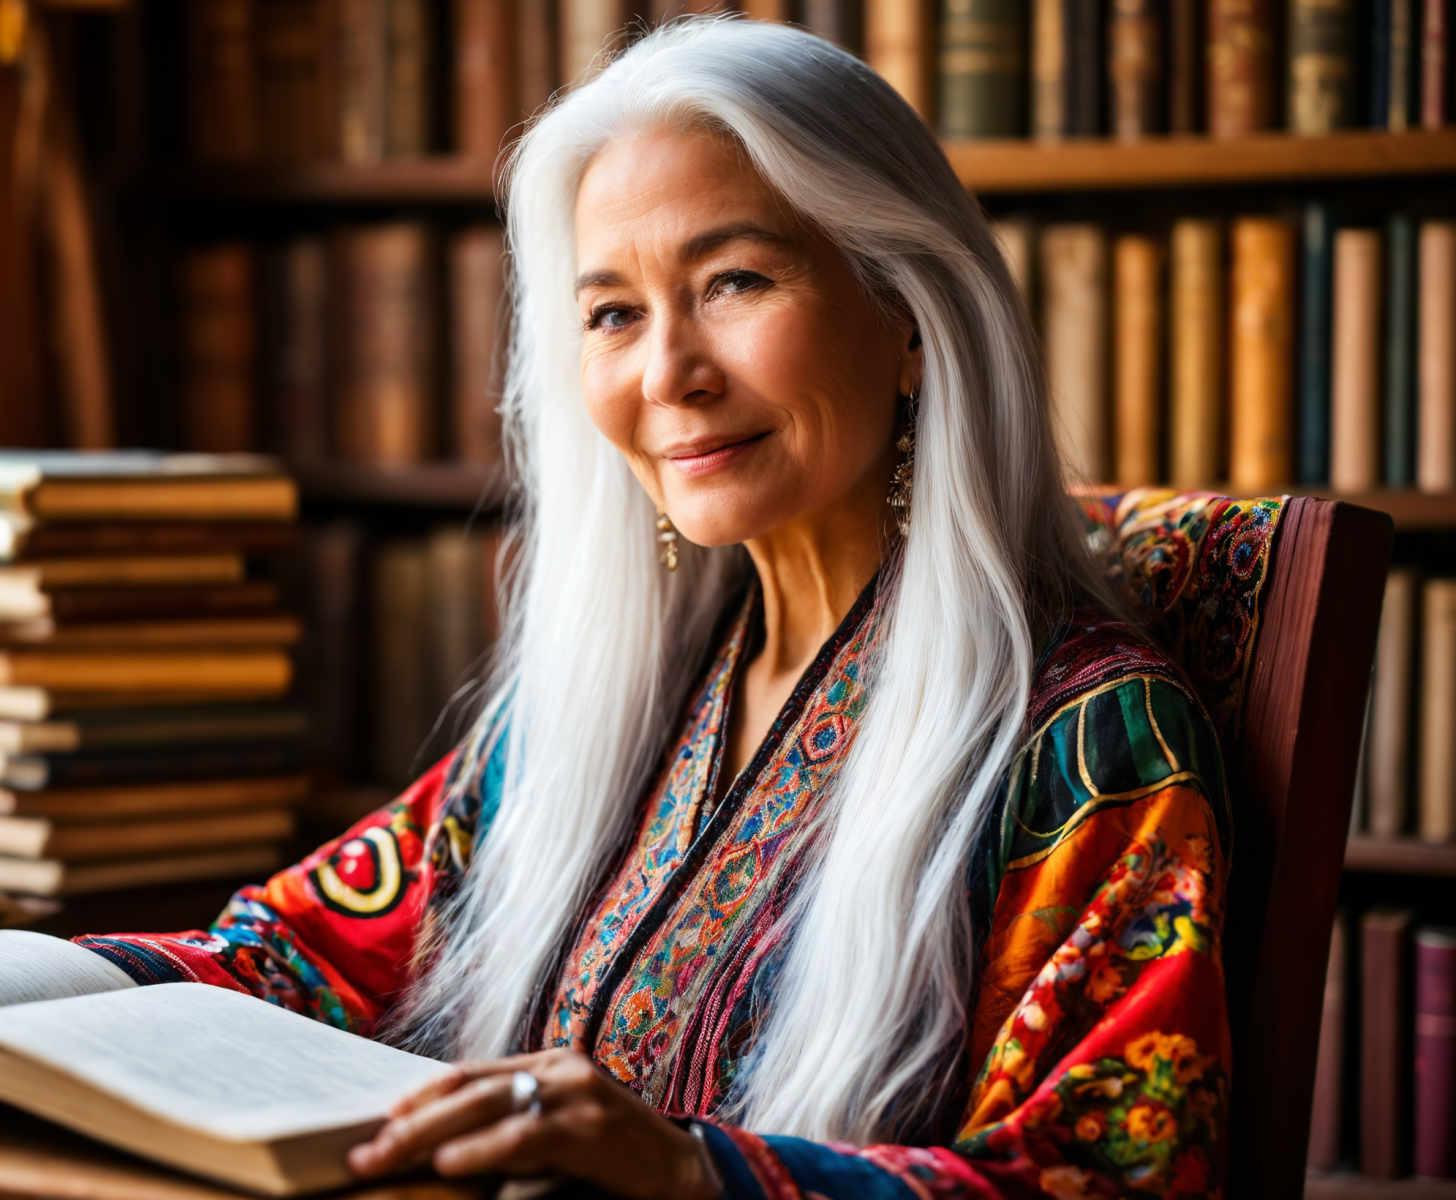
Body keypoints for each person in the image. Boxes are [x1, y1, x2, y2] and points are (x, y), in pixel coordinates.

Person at [76, 16, 1231, 1198]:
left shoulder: (1090, 748)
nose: (667, 373)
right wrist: (1, 993)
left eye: (732, 280)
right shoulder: (604, 704)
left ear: (909, 320)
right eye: (612, 312)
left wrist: (690, 1173)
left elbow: (1107, 1178)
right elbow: (297, 955)